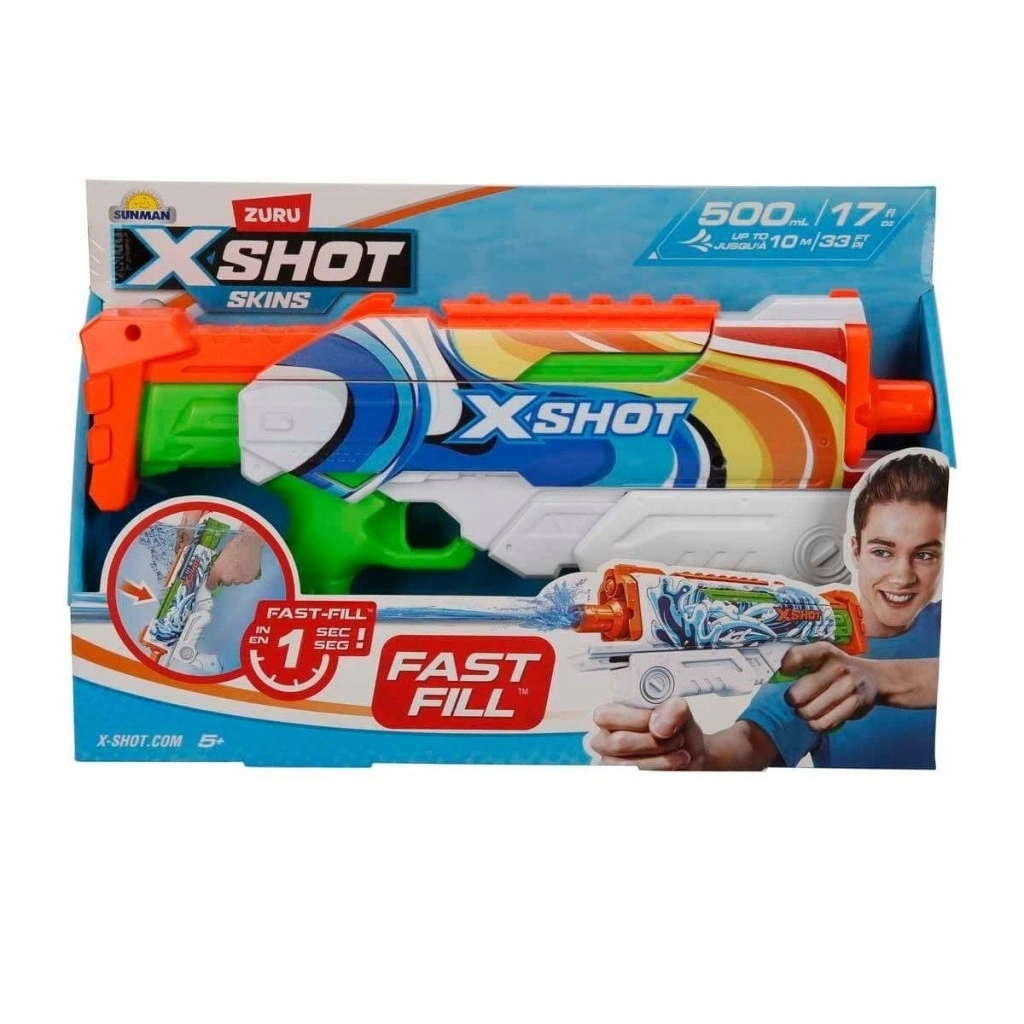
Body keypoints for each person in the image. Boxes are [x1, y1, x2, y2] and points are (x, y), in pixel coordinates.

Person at [589, 450, 948, 770]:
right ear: (855, 550)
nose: (902, 576)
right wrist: (696, 757)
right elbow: (750, 742)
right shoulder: (815, 648)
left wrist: (879, 678)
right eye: (882, 552)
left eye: (925, 555)